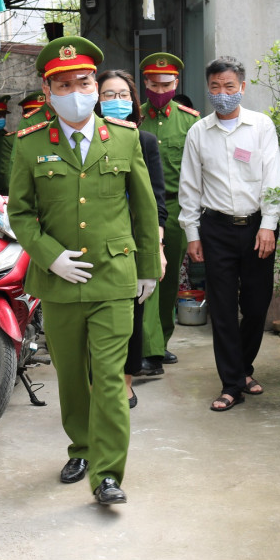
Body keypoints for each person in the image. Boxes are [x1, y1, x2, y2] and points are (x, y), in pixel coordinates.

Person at [7, 37, 159, 505]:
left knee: (110, 378)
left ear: (96, 85)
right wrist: (49, 255)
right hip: (59, 282)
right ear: (48, 91)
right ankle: (82, 449)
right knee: (72, 377)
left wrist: (148, 268)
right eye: (65, 85)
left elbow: (145, 210)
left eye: (85, 82)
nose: (77, 92)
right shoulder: (30, 144)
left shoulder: (126, 138)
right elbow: (20, 213)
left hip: (114, 277)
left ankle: (108, 474)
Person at [178, 56, 280, 412]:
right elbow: (190, 186)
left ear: (242, 87)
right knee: (222, 309)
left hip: (256, 228)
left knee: (256, 305)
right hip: (216, 229)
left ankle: (243, 369)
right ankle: (232, 385)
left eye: (229, 86)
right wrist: (192, 233)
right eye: (215, 87)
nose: (222, 94)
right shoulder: (198, 132)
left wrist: (269, 225)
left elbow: (273, 178)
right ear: (207, 89)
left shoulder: (261, 126)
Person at [94, 70, 167, 408]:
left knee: (132, 313)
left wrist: (157, 249)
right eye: (109, 95)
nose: (117, 101)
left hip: (131, 241)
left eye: (123, 95)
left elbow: (155, 201)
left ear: (134, 101)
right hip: (92, 238)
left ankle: (125, 379)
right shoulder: (83, 140)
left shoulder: (144, 141)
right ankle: (94, 381)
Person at [137, 52, 200, 374]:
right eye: (153, 84)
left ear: (176, 83)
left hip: (175, 209)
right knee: (146, 275)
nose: (160, 90)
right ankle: (147, 348)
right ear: (145, 83)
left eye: (166, 85)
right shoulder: (134, 117)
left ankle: (160, 341)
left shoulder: (190, 122)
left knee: (169, 279)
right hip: (139, 208)